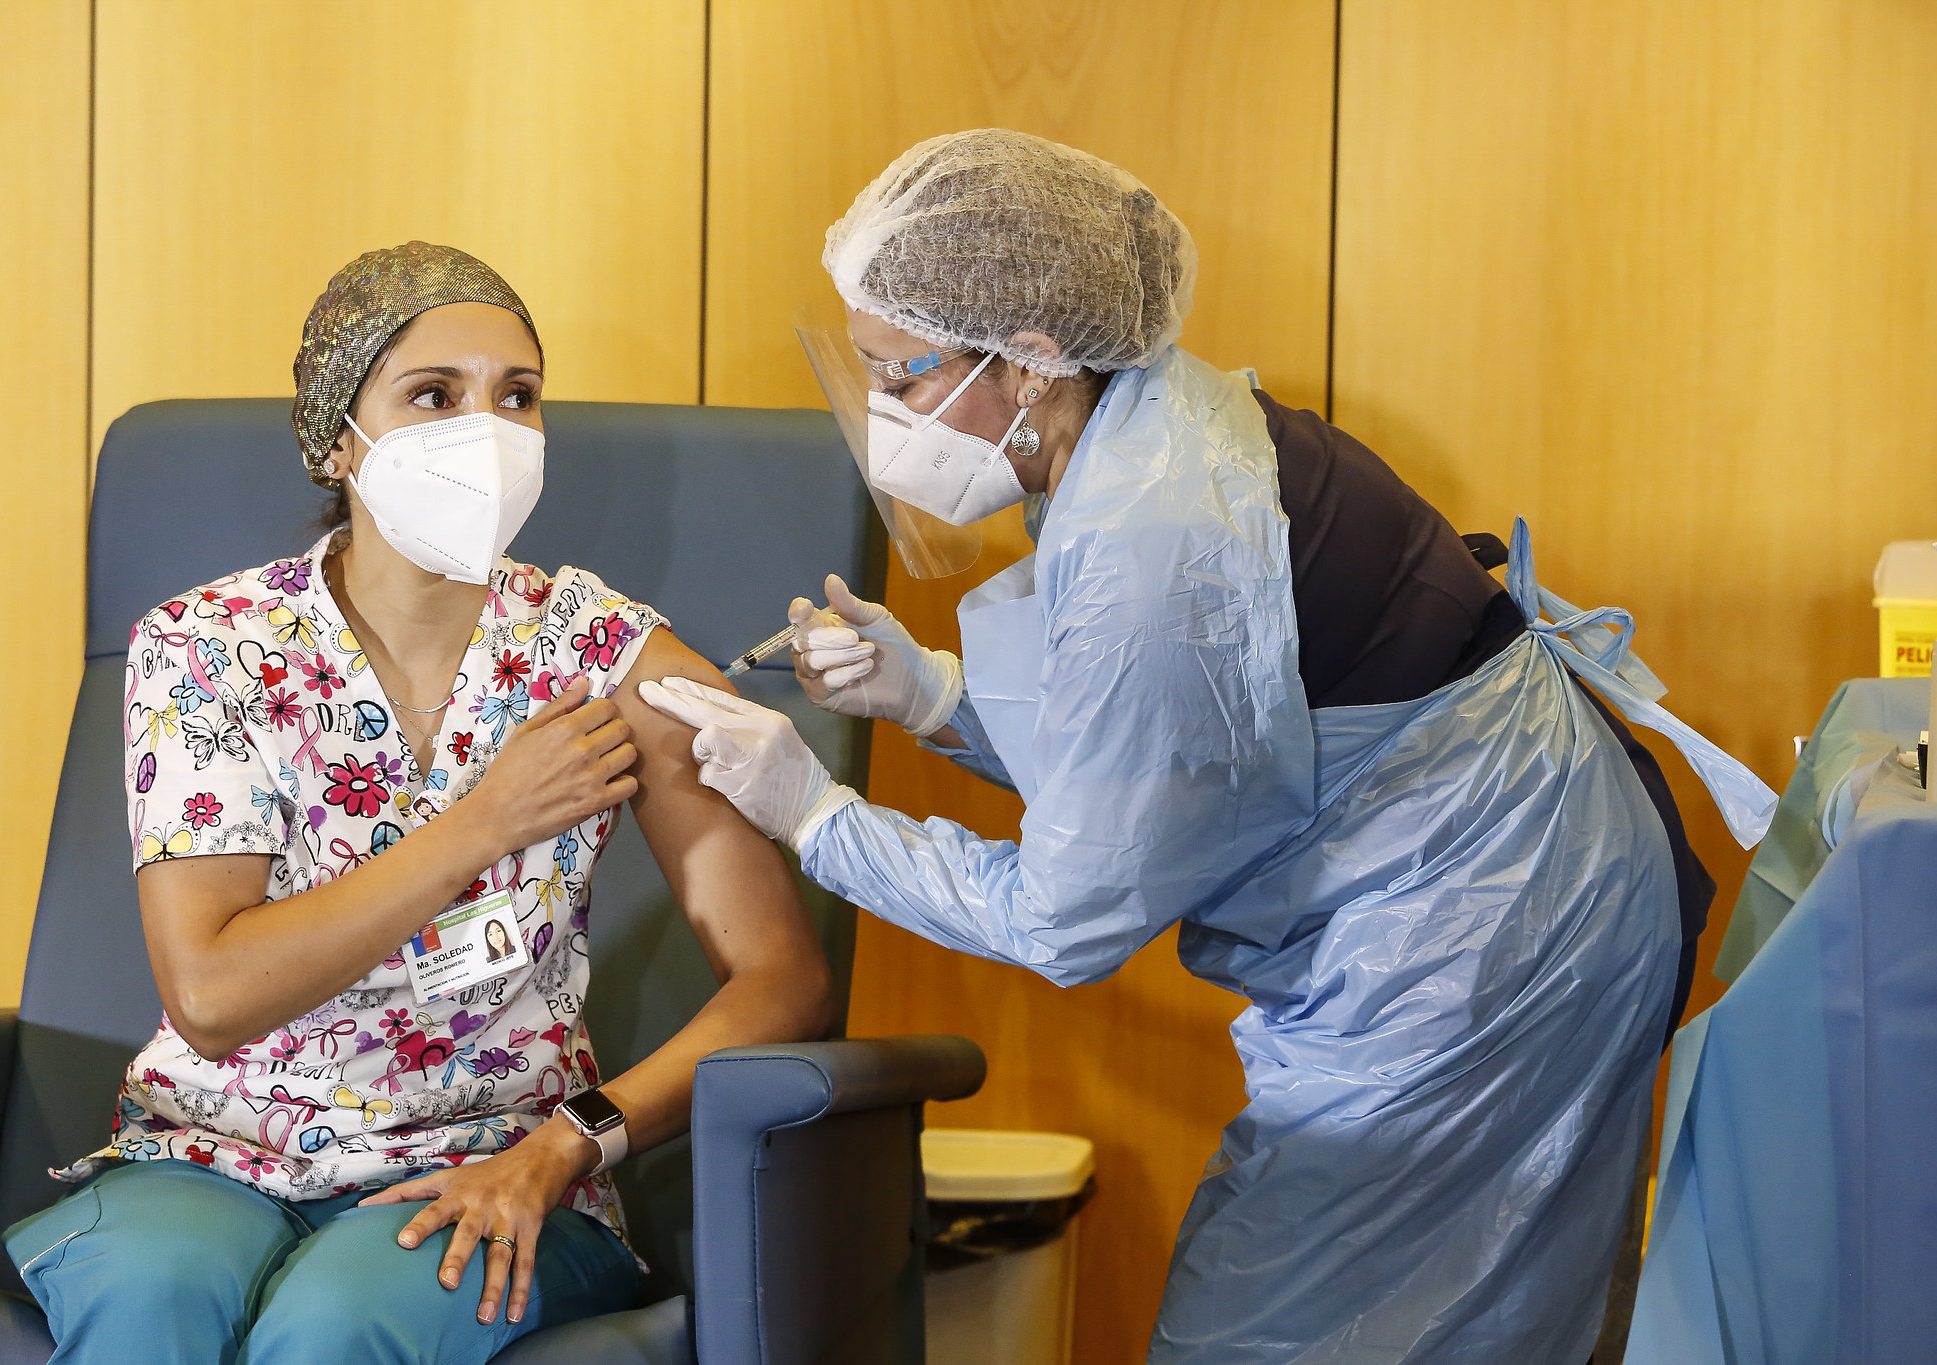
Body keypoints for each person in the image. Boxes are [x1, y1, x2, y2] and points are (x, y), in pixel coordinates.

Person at [639, 131, 1777, 1363]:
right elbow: (1171, 760)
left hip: (1481, 945)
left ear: (1026, 356)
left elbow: (1066, 915)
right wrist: (929, 697)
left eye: (901, 379)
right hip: (1477, 897)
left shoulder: (1155, 532)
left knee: (1290, 1338)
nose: (882, 418)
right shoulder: (1142, 424)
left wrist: (815, 816)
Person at [5, 242, 834, 1365]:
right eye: (433, 395)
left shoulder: (605, 656)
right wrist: (481, 827)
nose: (484, 432)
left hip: (495, 1160)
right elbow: (210, 994)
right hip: (211, 1155)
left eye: (518, 396)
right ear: (336, 437)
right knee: (150, 1303)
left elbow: (781, 976)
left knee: (331, 1330)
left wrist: (566, 1149)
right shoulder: (211, 649)